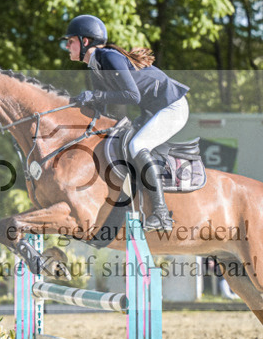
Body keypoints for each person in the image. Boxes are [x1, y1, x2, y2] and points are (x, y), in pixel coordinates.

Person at [61, 14, 190, 231]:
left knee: (137, 146)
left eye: (70, 41)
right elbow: (101, 110)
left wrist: (93, 96)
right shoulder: (96, 66)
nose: (66, 46)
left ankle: (161, 215)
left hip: (172, 107)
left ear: (85, 41)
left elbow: (132, 97)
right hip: (152, 111)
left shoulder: (107, 57)